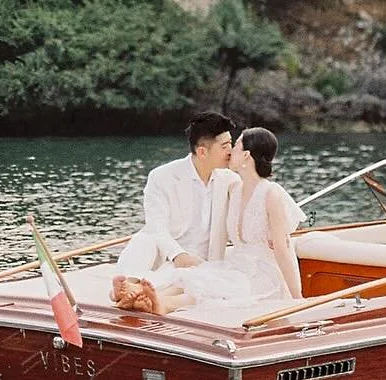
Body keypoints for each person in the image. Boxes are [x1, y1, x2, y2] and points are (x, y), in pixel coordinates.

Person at [182, 127, 304, 308]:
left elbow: (282, 250)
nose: (230, 150)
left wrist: (298, 297)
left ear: (246, 155)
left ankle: (158, 304)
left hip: (263, 276)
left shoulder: (271, 194)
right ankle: (144, 296)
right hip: (236, 267)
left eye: (236, 145)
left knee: (213, 290)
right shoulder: (233, 189)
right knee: (188, 277)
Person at [114, 112, 234, 282]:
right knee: (144, 239)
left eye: (231, 144)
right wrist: (178, 255)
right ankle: (129, 283)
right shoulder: (162, 176)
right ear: (202, 152)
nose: (231, 151)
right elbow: (156, 226)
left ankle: (131, 290)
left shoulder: (231, 180)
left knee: (180, 277)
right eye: (225, 146)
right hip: (167, 254)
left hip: (203, 262)